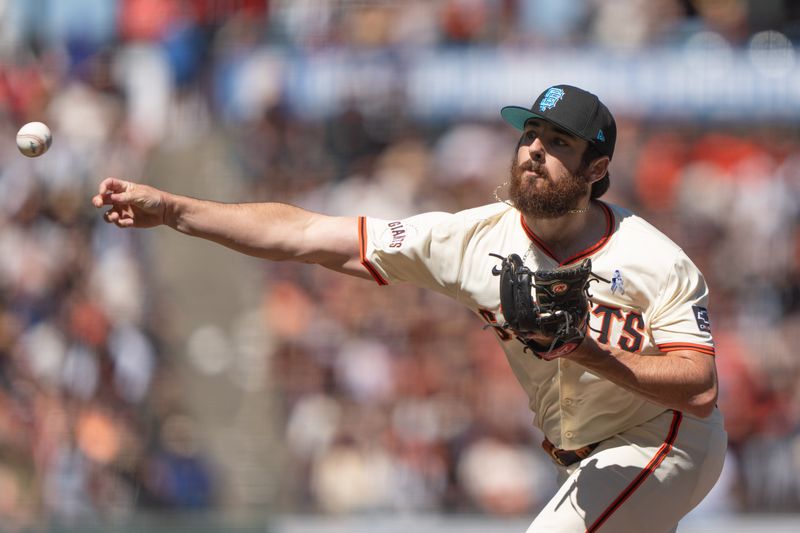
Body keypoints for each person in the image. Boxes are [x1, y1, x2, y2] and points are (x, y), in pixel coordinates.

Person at [92, 84, 726, 532]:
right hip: (584, 455)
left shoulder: (653, 258)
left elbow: (699, 389)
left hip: (665, 440)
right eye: (530, 132)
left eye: (558, 141)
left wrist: (584, 351)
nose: (533, 147)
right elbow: (309, 235)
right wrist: (175, 210)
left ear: (597, 169)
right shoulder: (475, 239)